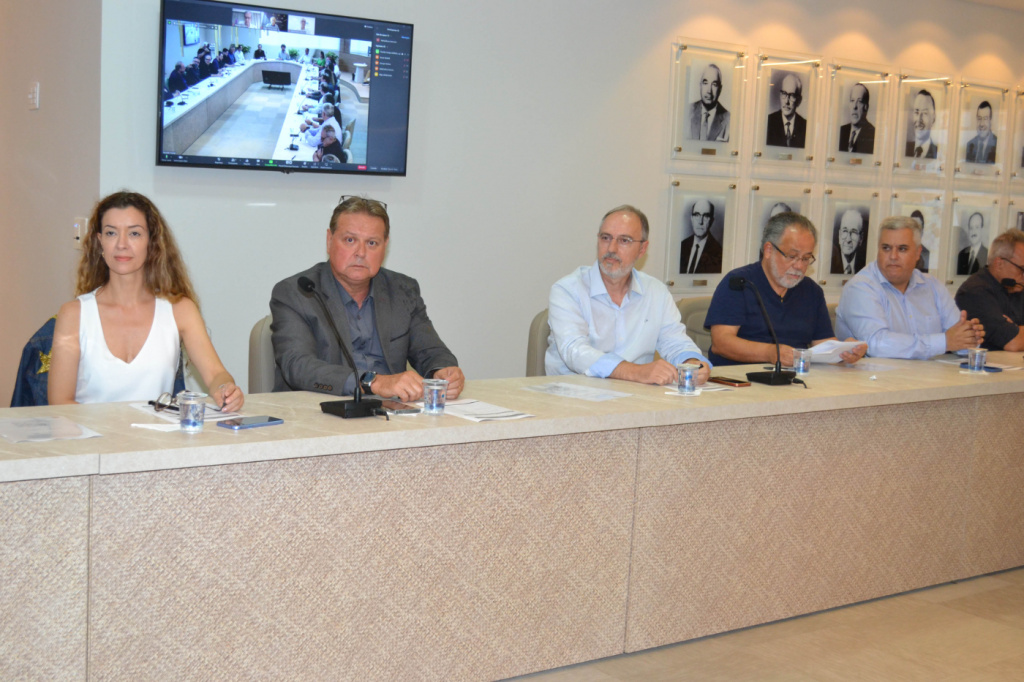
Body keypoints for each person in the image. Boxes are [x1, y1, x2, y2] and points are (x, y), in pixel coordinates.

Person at [48, 191, 244, 410]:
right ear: (100, 241)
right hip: (88, 432)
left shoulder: (180, 309)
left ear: (151, 242)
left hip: (159, 432)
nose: (122, 244)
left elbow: (216, 374)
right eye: (111, 233)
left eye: (134, 233)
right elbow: (59, 402)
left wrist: (226, 389)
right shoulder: (74, 314)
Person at [270, 196, 464, 401]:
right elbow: (298, 366)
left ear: (384, 246)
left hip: (391, 410)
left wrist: (443, 371)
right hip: (318, 408)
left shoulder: (403, 290)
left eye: (372, 243)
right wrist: (373, 382)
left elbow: (431, 351)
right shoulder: (297, 292)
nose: (361, 253)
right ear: (329, 240)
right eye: (350, 240)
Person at [546, 205, 710, 385]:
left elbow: (675, 342)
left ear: (642, 249)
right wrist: (636, 371)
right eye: (605, 238)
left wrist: (692, 362)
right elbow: (574, 351)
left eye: (624, 240)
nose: (611, 248)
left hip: (638, 395)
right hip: (575, 394)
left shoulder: (656, 292)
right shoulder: (567, 290)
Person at [705, 212, 866, 367]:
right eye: (792, 256)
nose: (799, 266)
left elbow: (823, 344)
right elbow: (721, 343)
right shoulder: (739, 283)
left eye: (806, 258)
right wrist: (770, 353)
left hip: (795, 378)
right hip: (739, 378)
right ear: (769, 250)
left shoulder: (812, 291)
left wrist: (845, 352)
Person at [836, 216, 983, 359]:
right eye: (886, 248)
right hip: (879, 374)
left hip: (930, 373)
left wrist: (970, 337)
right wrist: (944, 342)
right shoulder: (860, 287)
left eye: (902, 249)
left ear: (918, 253)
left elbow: (960, 340)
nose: (893, 256)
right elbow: (876, 344)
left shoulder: (932, 286)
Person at [955, 229, 1024, 351]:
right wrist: (1016, 332)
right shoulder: (975, 292)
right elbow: (1013, 343)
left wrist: (1016, 328)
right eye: (1022, 269)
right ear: (999, 264)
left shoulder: (1017, 287)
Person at [679, 198, 723, 274]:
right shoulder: (682, 246)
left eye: (706, 216)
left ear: (711, 221)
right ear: (692, 218)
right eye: (697, 215)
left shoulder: (718, 252)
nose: (700, 221)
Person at [688, 64, 730, 142]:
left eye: (714, 84)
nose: (709, 91)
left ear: (720, 89)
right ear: (700, 85)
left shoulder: (728, 119)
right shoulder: (687, 111)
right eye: (705, 83)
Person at [765, 73, 806, 148]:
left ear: (799, 100)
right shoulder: (768, 122)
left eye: (792, 96)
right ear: (780, 95)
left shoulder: (805, 126)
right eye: (784, 94)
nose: (786, 101)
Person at [838, 83, 875, 154]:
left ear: (866, 107)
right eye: (852, 100)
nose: (855, 106)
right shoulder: (841, 131)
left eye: (860, 101)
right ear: (849, 104)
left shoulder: (872, 134)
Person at [830, 209, 867, 275]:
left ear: (861, 238)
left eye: (854, 232)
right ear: (839, 235)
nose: (848, 239)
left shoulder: (865, 267)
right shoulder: (830, 263)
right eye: (845, 231)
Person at [905, 90, 938, 159]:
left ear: (933, 118)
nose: (919, 119)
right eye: (916, 112)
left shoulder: (937, 152)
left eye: (925, 113)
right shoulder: (904, 148)